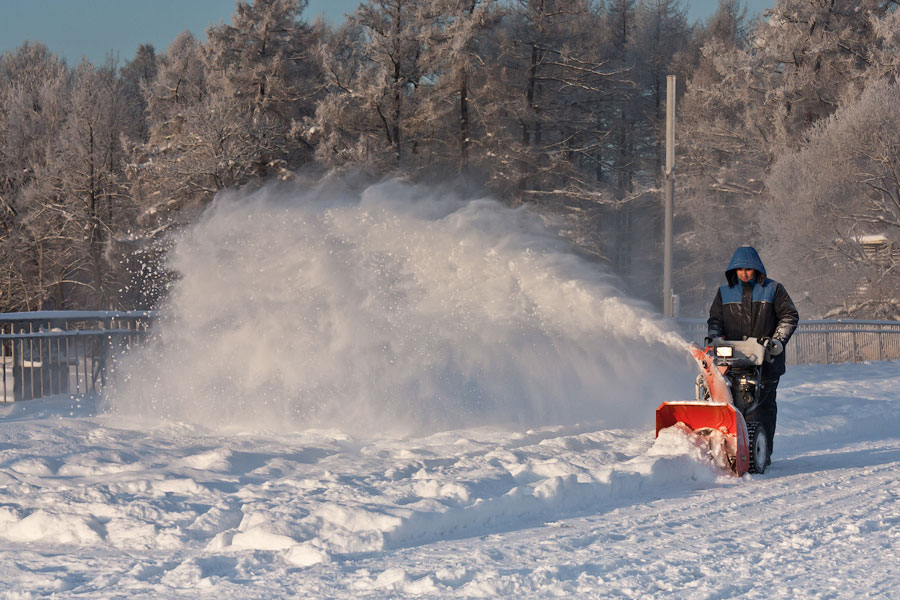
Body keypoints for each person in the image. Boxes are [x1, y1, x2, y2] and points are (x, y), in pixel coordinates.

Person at [706, 246, 799, 466]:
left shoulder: (774, 289)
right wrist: (714, 339)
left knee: (762, 408)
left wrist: (776, 342)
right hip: (732, 361)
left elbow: (789, 316)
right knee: (731, 404)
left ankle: (761, 453)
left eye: (748, 269)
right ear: (733, 270)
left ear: (757, 268)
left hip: (766, 361)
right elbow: (715, 321)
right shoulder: (724, 292)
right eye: (739, 270)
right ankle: (729, 452)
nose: (744, 273)